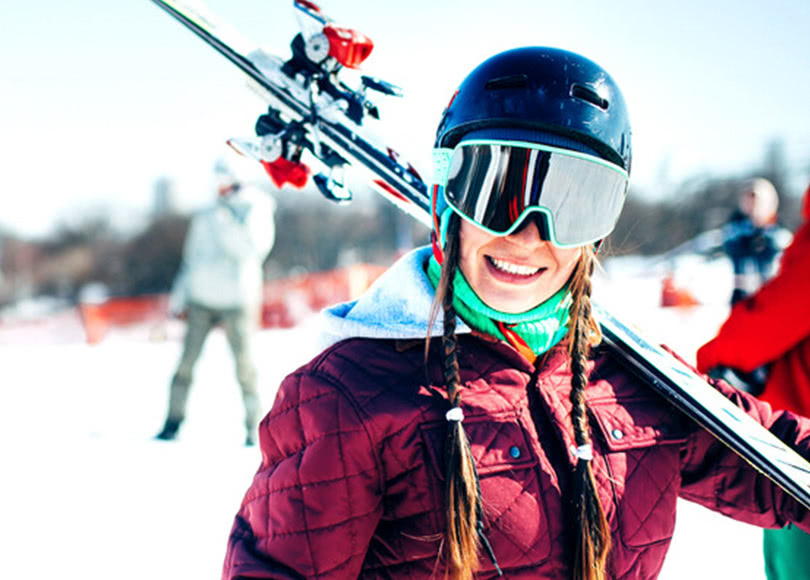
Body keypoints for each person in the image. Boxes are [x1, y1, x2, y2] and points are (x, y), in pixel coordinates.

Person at [222, 48, 810, 579]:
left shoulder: (632, 379)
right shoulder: (347, 395)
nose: (528, 236)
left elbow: (776, 457)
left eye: (572, 204)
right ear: (445, 199)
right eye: (497, 192)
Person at [697, 182, 810, 580]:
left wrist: (708, 365)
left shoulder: (790, 242)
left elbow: (770, 319)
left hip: (801, 448)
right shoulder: (739, 234)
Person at [155, 164, 275, 446]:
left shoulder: (256, 208)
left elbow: (251, 252)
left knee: (244, 367)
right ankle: (172, 422)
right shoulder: (206, 213)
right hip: (200, 300)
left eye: (224, 181)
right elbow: (191, 258)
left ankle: (253, 427)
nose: (218, 187)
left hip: (238, 300)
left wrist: (226, 223)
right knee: (185, 364)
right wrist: (180, 297)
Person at [722, 178, 786, 305]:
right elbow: (730, 246)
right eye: (748, 200)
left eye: (756, 200)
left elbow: (782, 252)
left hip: (770, 294)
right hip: (743, 295)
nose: (752, 205)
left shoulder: (778, 232)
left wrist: (765, 241)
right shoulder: (735, 229)